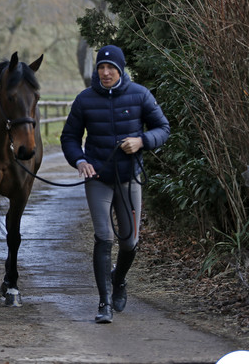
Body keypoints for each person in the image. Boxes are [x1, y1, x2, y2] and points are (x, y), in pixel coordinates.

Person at [60, 45, 170, 324]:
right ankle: (104, 302)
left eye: (111, 68)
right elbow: (69, 137)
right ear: (96, 70)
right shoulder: (84, 100)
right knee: (104, 237)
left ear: (120, 70)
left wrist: (142, 141)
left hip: (129, 177)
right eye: (101, 67)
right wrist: (79, 161)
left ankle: (118, 279)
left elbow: (163, 128)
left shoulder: (140, 95)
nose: (106, 72)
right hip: (97, 177)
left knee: (130, 241)